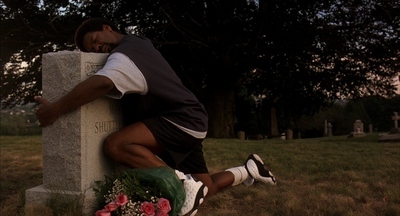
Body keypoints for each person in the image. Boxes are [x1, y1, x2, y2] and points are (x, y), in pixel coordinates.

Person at [35, 18, 276, 216]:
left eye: (95, 40)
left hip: (181, 120)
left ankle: (182, 184)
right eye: (91, 49)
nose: (96, 48)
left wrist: (55, 109)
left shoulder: (126, 55)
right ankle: (249, 170)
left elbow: (102, 83)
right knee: (207, 187)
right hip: (189, 120)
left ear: (107, 28)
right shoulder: (138, 42)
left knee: (116, 144)